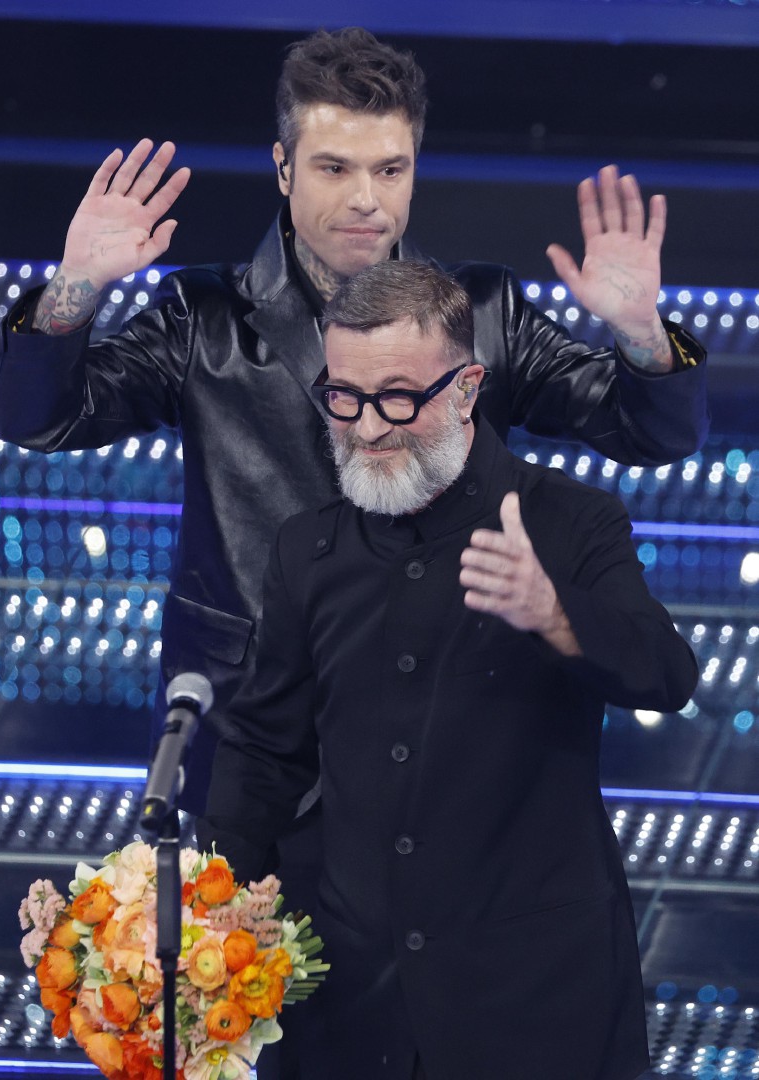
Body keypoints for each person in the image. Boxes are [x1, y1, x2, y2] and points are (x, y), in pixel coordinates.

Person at [0, 27, 706, 846]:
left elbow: (648, 433)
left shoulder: (483, 315)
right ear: (284, 167)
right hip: (256, 733)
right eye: (335, 168)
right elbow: (37, 419)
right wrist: (75, 288)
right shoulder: (203, 319)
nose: (366, 198)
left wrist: (642, 334)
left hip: (447, 732)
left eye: (389, 169)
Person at [203, 260, 699, 1080]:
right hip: (347, 1006)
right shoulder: (307, 548)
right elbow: (261, 751)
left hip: (533, 1003)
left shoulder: (569, 519)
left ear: (467, 389)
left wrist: (554, 614)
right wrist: (214, 919)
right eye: (344, 399)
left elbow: (666, 674)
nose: (366, 429)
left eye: (399, 398)